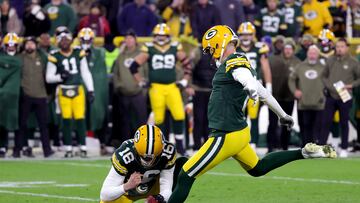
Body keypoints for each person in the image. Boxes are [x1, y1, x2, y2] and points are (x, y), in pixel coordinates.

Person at [167, 25, 336, 203]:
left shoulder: (235, 61)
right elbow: (264, 93)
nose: (210, 53)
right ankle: (304, 153)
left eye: (210, 48)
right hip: (238, 133)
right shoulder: (238, 60)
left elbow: (245, 78)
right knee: (258, 168)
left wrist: (250, 87)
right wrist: (282, 115)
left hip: (226, 134)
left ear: (218, 43)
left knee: (186, 175)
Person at [129, 23, 192, 155]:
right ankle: (162, 146)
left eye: (163, 35)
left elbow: (187, 64)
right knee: (159, 118)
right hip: (156, 87)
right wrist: (140, 81)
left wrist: (185, 81)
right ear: (154, 35)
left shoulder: (175, 47)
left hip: (172, 86)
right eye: (159, 35)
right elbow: (133, 66)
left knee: (179, 114)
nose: (161, 38)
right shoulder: (149, 48)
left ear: (168, 36)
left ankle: (180, 146)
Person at [100, 124, 188, 203]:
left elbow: (167, 187)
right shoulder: (125, 154)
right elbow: (104, 194)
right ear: (136, 148)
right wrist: (126, 186)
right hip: (127, 193)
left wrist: (159, 198)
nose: (147, 161)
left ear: (161, 151)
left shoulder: (167, 152)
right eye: (144, 157)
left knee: (180, 170)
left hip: (153, 187)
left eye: (152, 157)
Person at [46, 26, 94, 158]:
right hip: (63, 90)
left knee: (80, 119)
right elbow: (48, 77)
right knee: (66, 120)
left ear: (71, 40)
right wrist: (60, 77)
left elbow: (85, 72)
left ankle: (83, 147)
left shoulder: (78, 52)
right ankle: (68, 147)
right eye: (62, 40)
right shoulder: (54, 55)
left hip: (78, 88)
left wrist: (91, 90)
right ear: (58, 42)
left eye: (67, 39)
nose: (65, 41)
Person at [14, 36, 54, 158]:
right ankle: (17, 150)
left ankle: (47, 150)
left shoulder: (42, 57)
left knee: (43, 125)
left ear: (36, 45)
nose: (30, 46)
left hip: (41, 95)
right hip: (26, 95)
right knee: (21, 124)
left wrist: (49, 93)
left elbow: (49, 72)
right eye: (28, 44)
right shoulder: (20, 58)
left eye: (32, 43)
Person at [320, 38, 360, 158]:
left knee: (344, 123)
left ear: (347, 48)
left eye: (342, 46)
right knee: (326, 122)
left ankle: (343, 148)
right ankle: (321, 148)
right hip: (331, 95)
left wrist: (351, 85)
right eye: (337, 46)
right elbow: (323, 76)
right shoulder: (330, 60)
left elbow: (359, 79)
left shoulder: (353, 62)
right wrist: (330, 86)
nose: (339, 49)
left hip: (345, 95)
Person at [236, 22, 272, 150]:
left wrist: (268, 85)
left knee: (254, 115)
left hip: (254, 85)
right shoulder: (234, 48)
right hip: (238, 86)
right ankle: (240, 143)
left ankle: (253, 143)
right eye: (243, 34)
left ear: (253, 35)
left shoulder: (259, 47)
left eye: (248, 34)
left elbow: (265, 67)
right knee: (239, 116)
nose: (246, 37)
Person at [78, 27, 110, 155]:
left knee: (98, 114)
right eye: (83, 39)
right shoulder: (76, 52)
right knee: (80, 114)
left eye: (88, 39)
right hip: (79, 87)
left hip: (96, 86)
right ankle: (78, 142)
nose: (86, 41)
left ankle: (99, 141)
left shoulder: (99, 52)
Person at [112, 30, 148, 143]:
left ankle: (144, 144)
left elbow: (146, 72)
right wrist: (118, 86)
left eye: (131, 38)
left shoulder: (141, 53)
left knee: (141, 121)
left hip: (138, 93)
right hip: (124, 93)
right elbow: (115, 72)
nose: (129, 40)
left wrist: (144, 88)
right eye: (126, 38)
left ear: (135, 40)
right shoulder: (121, 56)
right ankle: (126, 144)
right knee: (124, 121)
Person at [288, 45, 325, 146]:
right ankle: (306, 148)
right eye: (310, 53)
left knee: (318, 127)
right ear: (307, 54)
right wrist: (295, 91)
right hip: (304, 103)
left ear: (318, 55)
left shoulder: (323, 67)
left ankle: (317, 148)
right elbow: (291, 79)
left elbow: (331, 79)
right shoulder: (300, 66)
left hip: (319, 103)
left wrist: (326, 92)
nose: (312, 55)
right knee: (305, 126)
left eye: (314, 53)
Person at [267, 39, 300, 151]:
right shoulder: (273, 59)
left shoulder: (298, 62)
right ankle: (270, 147)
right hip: (274, 97)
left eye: (290, 49)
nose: (287, 51)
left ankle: (284, 147)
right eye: (286, 48)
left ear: (293, 50)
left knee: (286, 124)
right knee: (272, 123)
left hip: (289, 98)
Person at [0, 33, 22, 158]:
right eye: (9, 45)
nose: (11, 47)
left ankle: (9, 147)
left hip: (16, 95)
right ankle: (3, 146)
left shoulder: (20, 59)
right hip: (5, 94)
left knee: (11, 122)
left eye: (14, 45)